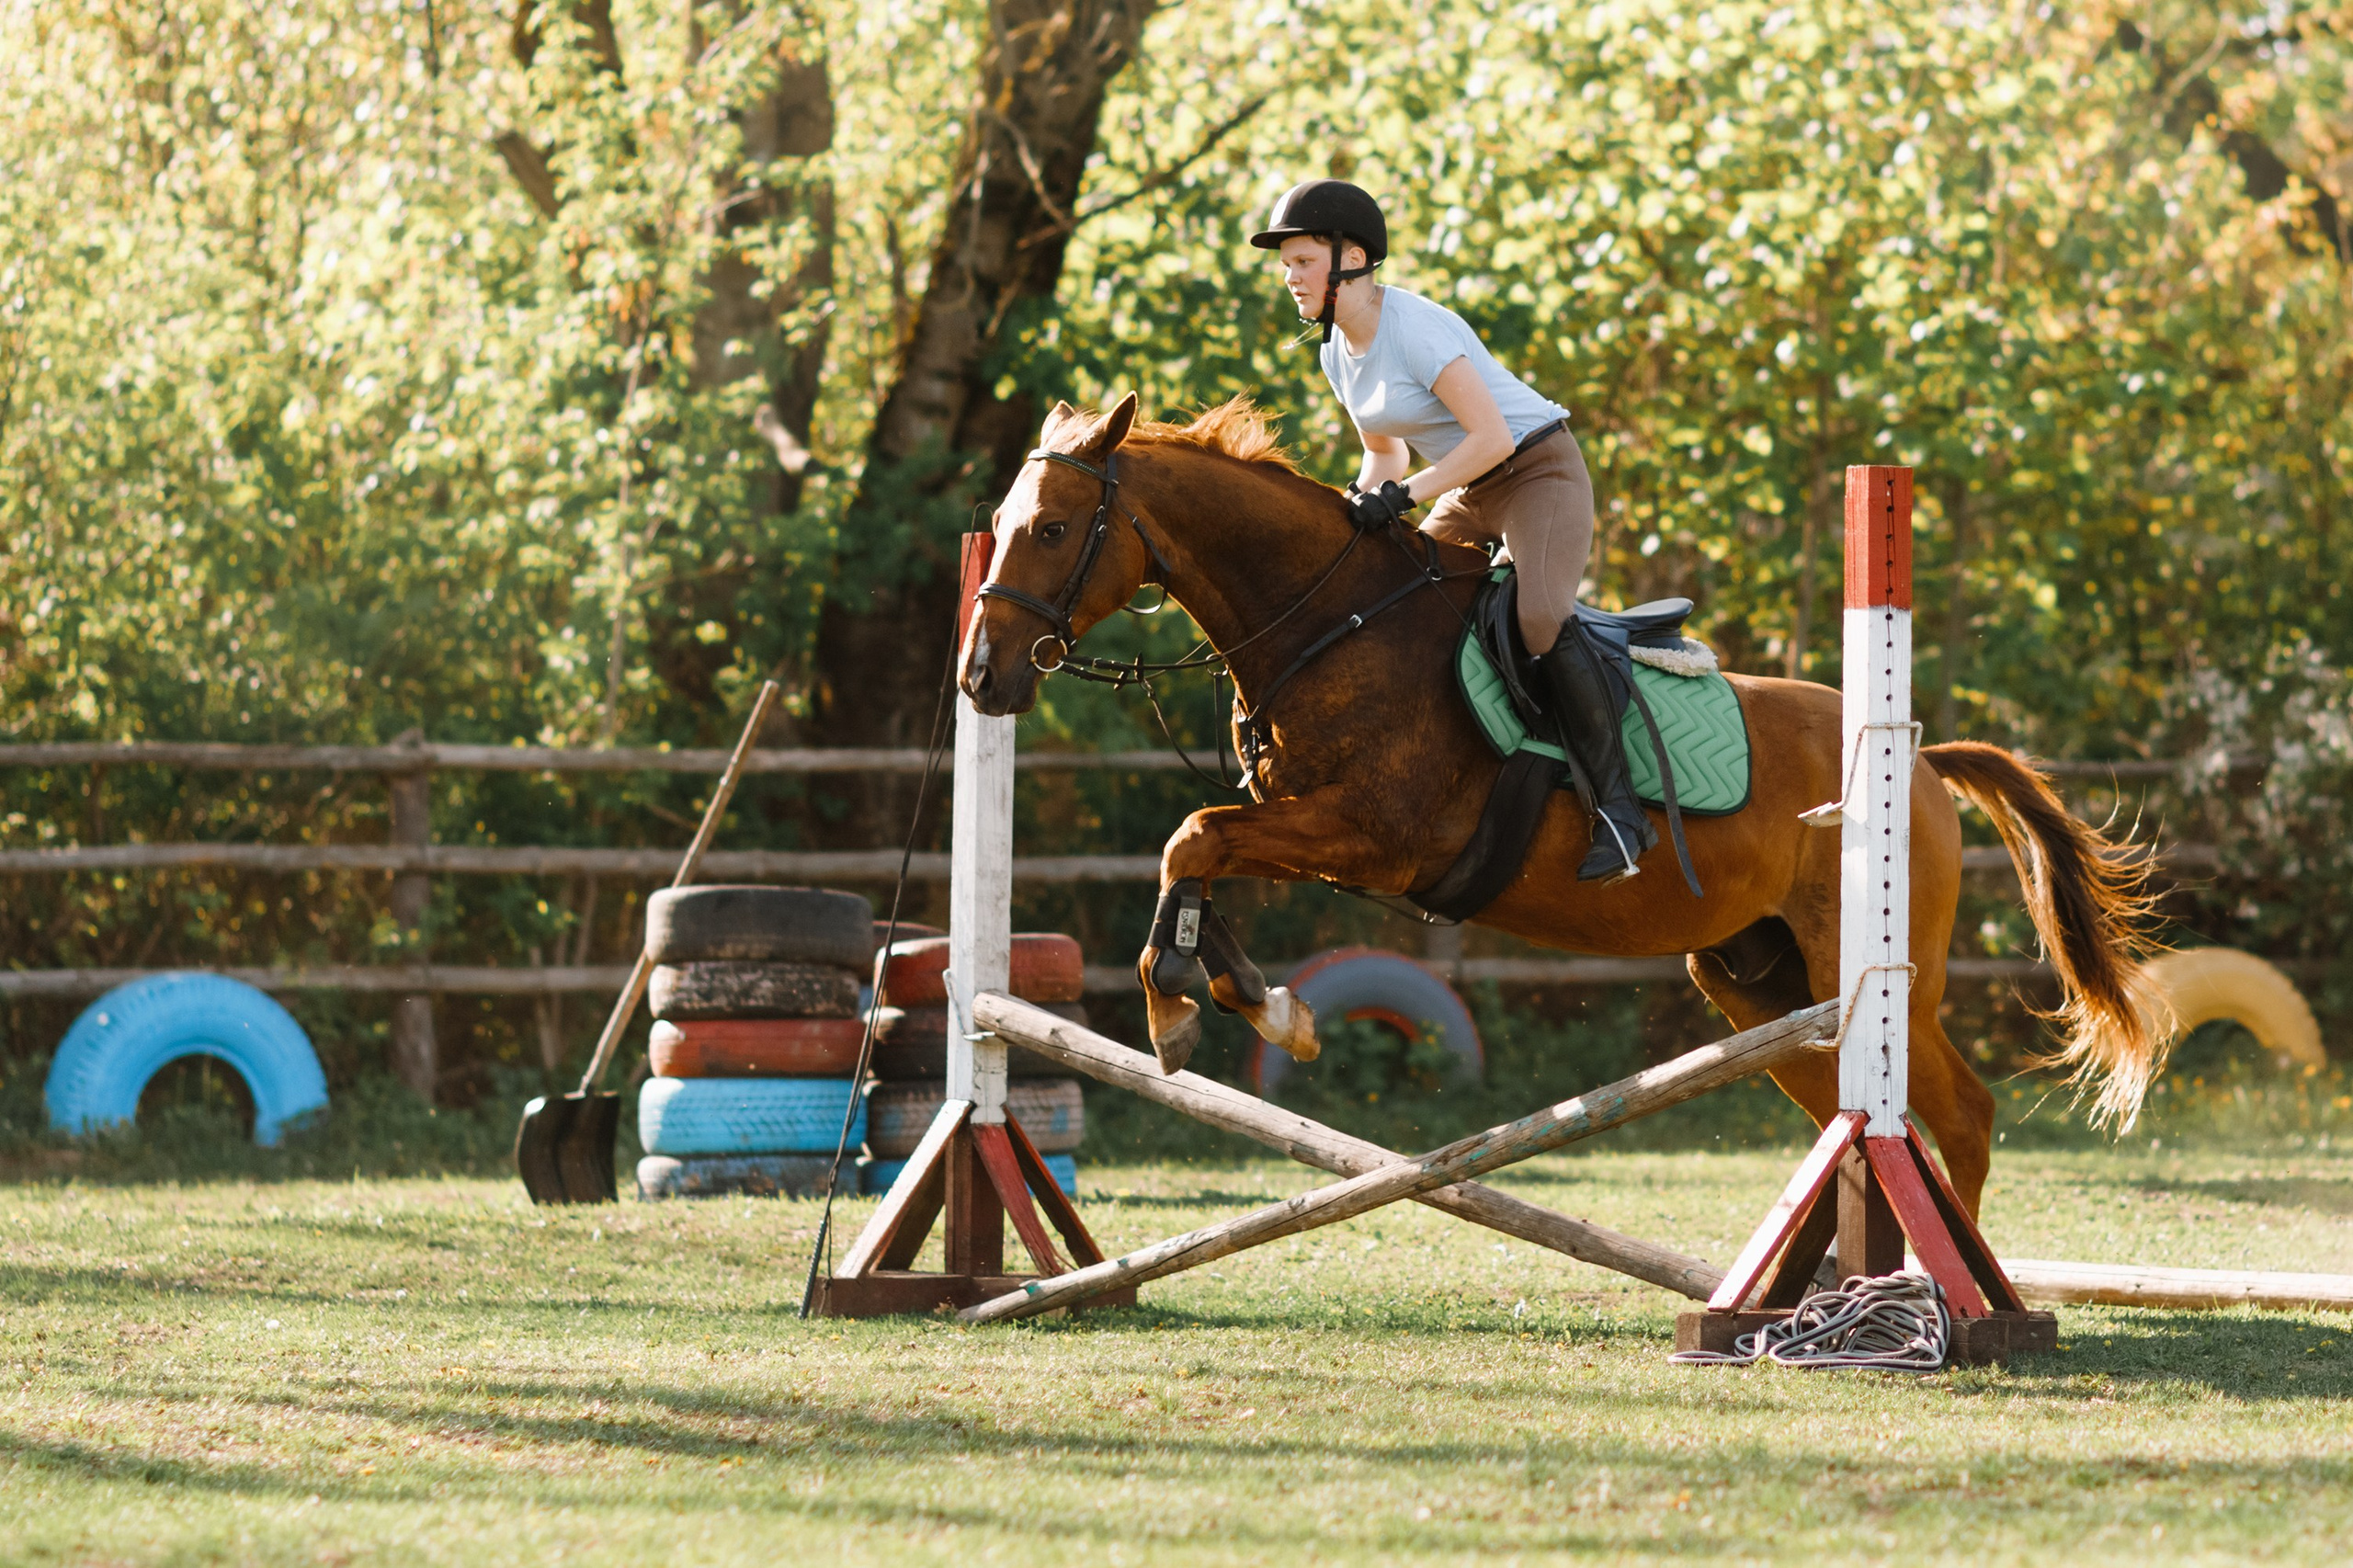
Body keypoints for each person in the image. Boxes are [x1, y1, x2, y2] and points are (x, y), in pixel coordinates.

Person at [1249, 178, 1656, 884]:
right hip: (1469, 487)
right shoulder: (1336, 352)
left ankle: (1621, 810)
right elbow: (1385, 456)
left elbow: (1492, 436)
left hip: (1538, 473)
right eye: (1287, 265)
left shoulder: (1414, 328)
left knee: (1538, 618)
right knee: (1401, 602)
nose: (1290, 277)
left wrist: (1402, 498)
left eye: (1303, 261)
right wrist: (1356, 503)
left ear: (1352, 259)